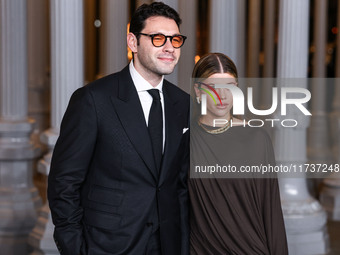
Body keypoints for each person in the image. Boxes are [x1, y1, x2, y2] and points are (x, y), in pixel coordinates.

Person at [48, 2, 190, 255]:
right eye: (158, 38)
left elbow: (179, 184)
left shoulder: (184, 103)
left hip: (168, 244)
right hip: (107, 245)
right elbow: (64, 182)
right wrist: (75, 249)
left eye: (176, 39)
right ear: (133, 42)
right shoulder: (93, 99)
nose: (170, 47)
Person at [189, 53, 288, 254]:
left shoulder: (257, 138)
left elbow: (271, 210)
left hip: (251, 248)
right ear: (198, 91)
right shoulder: (183, 140)